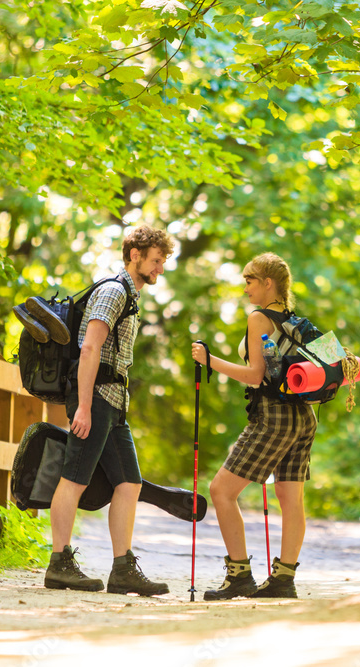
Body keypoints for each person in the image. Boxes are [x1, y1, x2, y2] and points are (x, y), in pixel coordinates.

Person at [42, 224, 175, 596]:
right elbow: (89, 348)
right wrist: (82, 407)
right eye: (156, 261)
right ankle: (59, 563)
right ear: (135, 255)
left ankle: (122, 569)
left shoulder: (130, 296)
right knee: (75, 478)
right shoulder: (114, 291)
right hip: (96, 398)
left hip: (115, 403)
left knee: (129, 484)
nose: (159, 269)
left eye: (161, 262)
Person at [190, 252, 317, 600]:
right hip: (304, 417)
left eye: (249, 280)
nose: (245, 287)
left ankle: (239, 576)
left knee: (221, 491)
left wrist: (209, 360)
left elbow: (256, 376)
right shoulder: (293, 320)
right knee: (291, 498)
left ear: (267, 283)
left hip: (274, 417)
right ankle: (283, 580)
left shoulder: (259, 318)